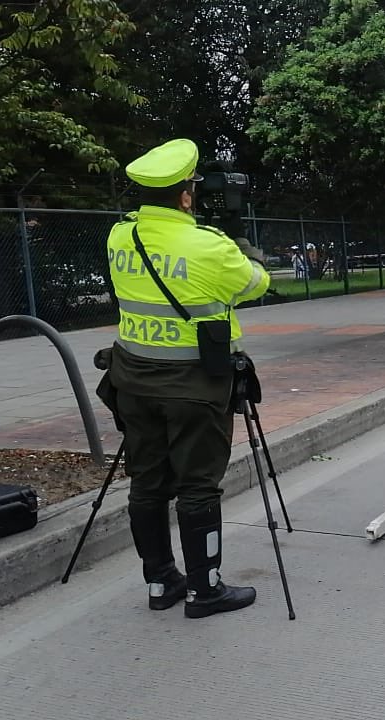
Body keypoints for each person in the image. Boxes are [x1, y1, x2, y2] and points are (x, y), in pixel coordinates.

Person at [103, 138, 270, 619]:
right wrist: (248, 253)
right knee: (198, 486)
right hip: (194, 386)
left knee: (147, 482)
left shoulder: (120, 237)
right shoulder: (209, 246)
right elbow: (255, 284)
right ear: (185, 195)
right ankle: (206, 590)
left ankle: (160, 582)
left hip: (132, 380)